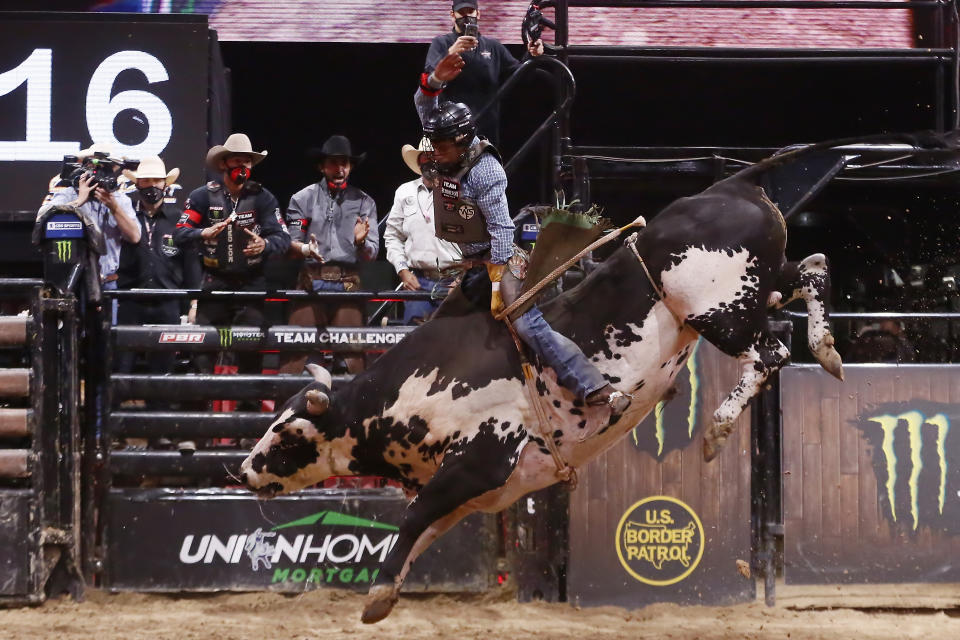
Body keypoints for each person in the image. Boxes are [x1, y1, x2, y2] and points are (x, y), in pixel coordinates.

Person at [415, 54, 629, 416]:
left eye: (441, 146)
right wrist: (434, 80)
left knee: (524, 321)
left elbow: (501, 230)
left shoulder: (486, 172)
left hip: (499, 260)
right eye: (434, 145)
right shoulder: (446, 145)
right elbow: (425, 107)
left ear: (462, 140)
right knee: (440, 327)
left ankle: (594, 386)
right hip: (474, 264)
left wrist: (499, 283)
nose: (434, 152)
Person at [174, 133, 290, 377]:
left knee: (250, 356)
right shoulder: (202, 196)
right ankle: (202, 410)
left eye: (246, 162)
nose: (242, 166)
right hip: (213, 286)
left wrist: (265, 245)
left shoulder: (263, 198)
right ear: (224, 163)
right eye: (236, 161)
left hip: (251, 287)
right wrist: (202, 233)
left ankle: (248, 410)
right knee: (202, 356)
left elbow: (283, 238)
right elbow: (180, 233)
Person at [280, 135, 379, 375]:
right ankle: (287, 409)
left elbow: (371, 254)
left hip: (348, 283)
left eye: (344, 162)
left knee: (353, 359)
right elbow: (290, 244)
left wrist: (361, 242)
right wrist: (304, 249)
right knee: (295, 354)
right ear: (322, 166)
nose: (340, 169)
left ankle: (354, 410)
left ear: (351, 166)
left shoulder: (365, 202)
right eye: (333, 163)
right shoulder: (302, 199)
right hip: (311, 281)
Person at [115, 156, 201, 376]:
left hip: (167, 301)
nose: (151, 186)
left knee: (163, 369)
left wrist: (193, 303)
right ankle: (117, 409)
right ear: (137, 184)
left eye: (156, 180)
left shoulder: (179, 220)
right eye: (146, 181)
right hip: (131, 299)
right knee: (121, 366)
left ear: (166, 184)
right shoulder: (126, 217)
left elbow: (191, 262)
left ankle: (160, 406)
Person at [40, 143, 140, 320]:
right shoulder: (69, 193)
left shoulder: (119, 199)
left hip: (107, 283)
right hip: (71, 284)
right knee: (70, 339)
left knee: (105, 340)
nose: (94, 171)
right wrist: (78, 201)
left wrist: (114, 207)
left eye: (100, 167)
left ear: (112, 170)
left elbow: (134, 236)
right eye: (90, 165)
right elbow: (42, 220)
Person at [424, 0, 543, 144]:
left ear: (478, 14)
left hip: (486, 133)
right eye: (461, 12)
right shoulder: (441, 43)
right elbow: (429, 79)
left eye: (470, 11)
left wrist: (532, 55)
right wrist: (450, 53)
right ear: (452, 15)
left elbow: (521, 76)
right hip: (450, 133)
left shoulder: (493, 47)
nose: (466, 16)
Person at [384, 138, 463, 324]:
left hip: (454, 281)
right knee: (416, 343)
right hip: (419, 282)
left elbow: (476, 239)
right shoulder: (404, 192)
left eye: (434, 157)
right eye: (425, 158)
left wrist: (464, 278)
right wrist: (402, 270)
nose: (430, 162)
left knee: (453, 341)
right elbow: (392, 235)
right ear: (419, 161)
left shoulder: (460, 190)